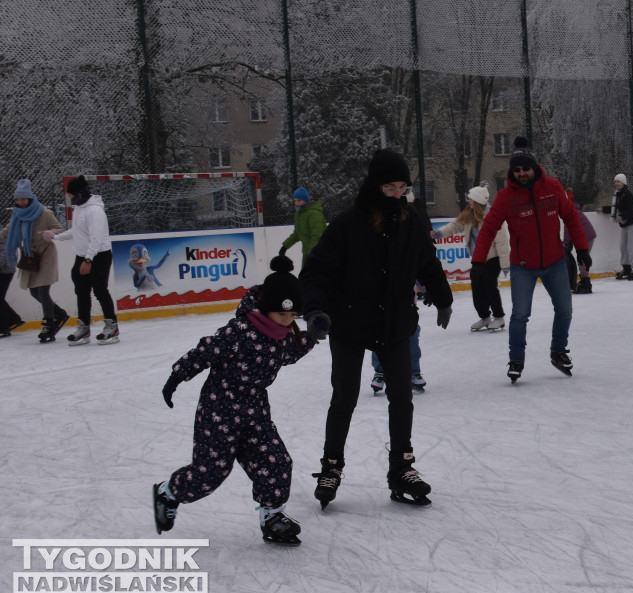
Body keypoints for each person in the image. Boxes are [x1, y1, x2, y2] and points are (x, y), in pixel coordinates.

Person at [300, 149, 453, 509]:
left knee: (401, 396)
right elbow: (317, 272)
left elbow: (427, 262)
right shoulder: (347, 225)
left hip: (396, 322)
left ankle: (402, 467)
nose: (398, 195)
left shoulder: (410, 221)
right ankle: (331, 466)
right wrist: (316, 311)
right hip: (350, 323)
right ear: (373, 186)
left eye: (403, 187)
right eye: (390, 187)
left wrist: (442, 296)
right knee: (345, 397)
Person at [153, 255, 317, 546]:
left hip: (255, 412)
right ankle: (169, 492)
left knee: (276, 461)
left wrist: (313, 337)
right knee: (210, 473)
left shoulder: (283, 335)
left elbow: (290, 354)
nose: (287, 321)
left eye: (293, 317)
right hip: (220, 410)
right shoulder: (239, 331)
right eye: (282, 315)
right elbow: (204, 351)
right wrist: (176, 377)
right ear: (266, 308)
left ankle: (273, 517)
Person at [470, 136, 592, 383]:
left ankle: (558, 352)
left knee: (565, 310)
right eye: (516, 170)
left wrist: (581, 249)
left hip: (555, 261)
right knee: (520, 314)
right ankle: (516, 359)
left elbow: (570, 217)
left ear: (534, 168)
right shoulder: (506, 197)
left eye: (525, 168)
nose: (521, 173)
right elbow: (488, 228)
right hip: (523, 266)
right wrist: (478, 262)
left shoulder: (553, 188)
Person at [369, 189, 436, 396]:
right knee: (378, 336)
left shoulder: (409, 245)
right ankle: (380, 372)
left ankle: (413, 372)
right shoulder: (375, 243)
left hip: (406, 304)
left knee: (411, 336)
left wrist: (430, 289)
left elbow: (420, 269)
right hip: (379, 303)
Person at [43, 176, 118, 345]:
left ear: (80, 194)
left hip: (98, 256)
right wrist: (55, 236)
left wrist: (88, 260)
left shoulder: (95, 211)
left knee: (100, 290)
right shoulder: (79, 209)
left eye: (71, 196)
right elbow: (76, 232)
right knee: (82, 291)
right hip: (83, 256)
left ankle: (112, 327)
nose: (70, 199)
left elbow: (96, 239)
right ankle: (84, 328)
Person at [0, 179, 70, 343]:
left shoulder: (44, 213)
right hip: (30, 255)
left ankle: (48, 325)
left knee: (43, 291)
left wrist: (50, 233)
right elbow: (5, 233)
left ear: (30, 199)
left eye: (23, 199)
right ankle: (59, 313)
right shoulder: (18, 215)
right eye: (17, 200)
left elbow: (60, 228)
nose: (20, 202)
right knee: (33, 291)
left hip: (45, 254)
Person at [432, 183, 509, 331]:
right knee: (477, 288)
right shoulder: (469, 215)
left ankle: (499, 317)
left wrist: (505, 264)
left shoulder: (492, 216)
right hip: (477, 260)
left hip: (493, 259)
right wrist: (439, 233)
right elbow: (454, 226)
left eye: (471, 198)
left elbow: (502, 242)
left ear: (478, 200)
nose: (468, 201)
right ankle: (485, 317)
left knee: (489, 286)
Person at [279, 187, 326, 267]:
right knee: (305, 277)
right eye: (295, 201)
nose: (296, 203)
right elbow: (297, 234)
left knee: (313, 277)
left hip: (319, 254)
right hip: (307, 253)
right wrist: (285, 246)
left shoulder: (314, 214)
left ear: (305, 200)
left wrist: (312, 254)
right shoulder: (300, 214)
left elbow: (317, 236)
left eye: (299, 200)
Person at [563, 188, 597, 293]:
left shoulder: (570, 211)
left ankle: (586, 283)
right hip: (589, 235)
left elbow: (568, 229)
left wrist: (565, 243)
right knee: (581, 259)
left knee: (582, 260)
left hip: (586, 236)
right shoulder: (574, 208)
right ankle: (584, 281)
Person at [612, 173, 633, 280]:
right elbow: (614, 208)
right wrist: (603, 209)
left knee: (631, 247)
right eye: (615, 181)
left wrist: (621, 216)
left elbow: (632, 208)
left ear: (623, 183)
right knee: (623, 247)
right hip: (625, 224)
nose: (616, 183)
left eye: (618, 181)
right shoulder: (617, 194)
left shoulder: (628, 194)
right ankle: (627, 268)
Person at [0, 224, 25, 337]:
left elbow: (5, 248)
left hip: (5, 269)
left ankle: (4, 327)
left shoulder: (2, 230)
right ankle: (14, 320)